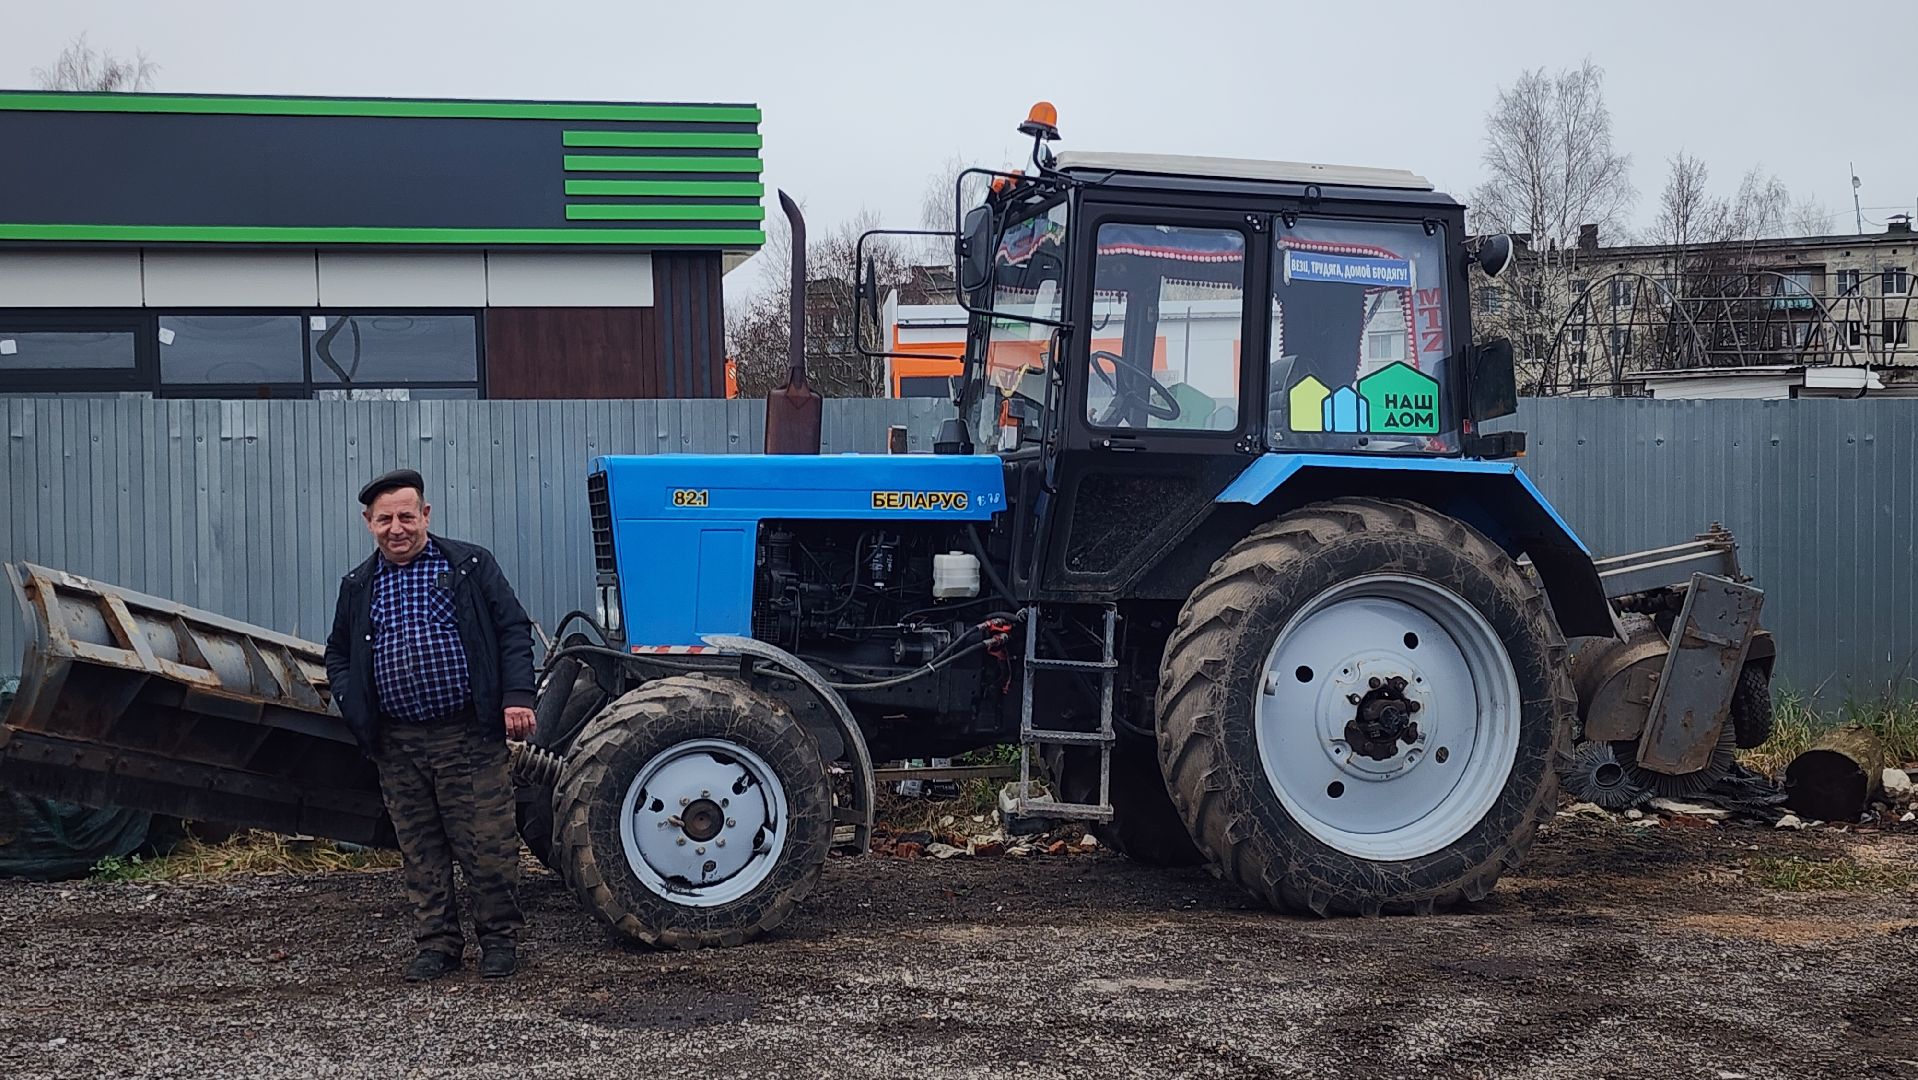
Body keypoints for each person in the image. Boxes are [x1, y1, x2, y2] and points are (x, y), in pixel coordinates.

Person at [323, 467, 537, 982]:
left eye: (405, 516)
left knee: (487, 845)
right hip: (397, 743)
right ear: (367, 524)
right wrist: (357, 709)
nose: (396, 528)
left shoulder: (468, 565)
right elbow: (338, 654)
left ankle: (499, 942)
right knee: (421, 851)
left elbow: (512, 629)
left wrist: (516, 696)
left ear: (426, 515)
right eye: (384, 519)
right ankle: (437, 945)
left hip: (468, 735)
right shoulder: (358, 585)